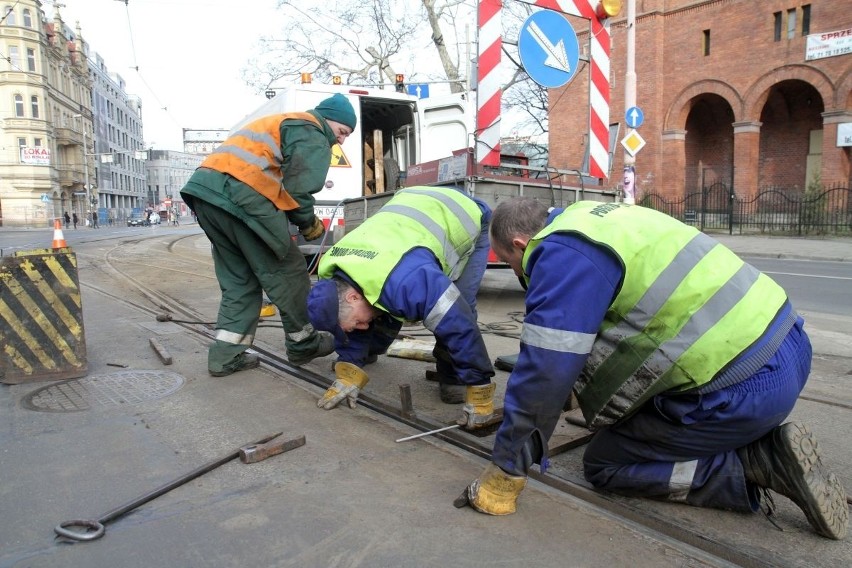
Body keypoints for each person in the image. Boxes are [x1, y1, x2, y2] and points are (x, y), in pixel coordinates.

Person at [457, 198, 848, 541]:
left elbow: (544, 374)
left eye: (511, 264)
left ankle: (753, 464)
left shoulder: (558, 254)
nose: (520, 273)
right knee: (629, 419)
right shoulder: (600, 218)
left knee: (605, 462)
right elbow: (636, 329)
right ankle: (741, 440)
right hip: (790, 347)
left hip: (746, 390)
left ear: (520, 244)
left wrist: (508, 466)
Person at [180, 93, 356, 376]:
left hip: (206, 194)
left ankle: (225, 356)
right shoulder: (312, 130)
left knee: (241, 281)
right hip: (241, 195)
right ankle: (304, 344)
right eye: (342, 132)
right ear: (329, 120)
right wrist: (309, 224)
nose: (341, 140)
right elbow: (299, 190)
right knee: (288, 271)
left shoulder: (280, 123)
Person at [306, 185, 496, 426]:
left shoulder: (410, 281)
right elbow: (350, 318)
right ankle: (367, 353)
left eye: (353, 324)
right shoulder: (333, 279)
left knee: (458, 304)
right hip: (409, 211)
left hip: (465, 215)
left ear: (352, 297)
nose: (359, 327)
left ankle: (453, 375)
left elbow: (459, 326)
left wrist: (479, 389)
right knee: (373, 309)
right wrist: (349, 370)